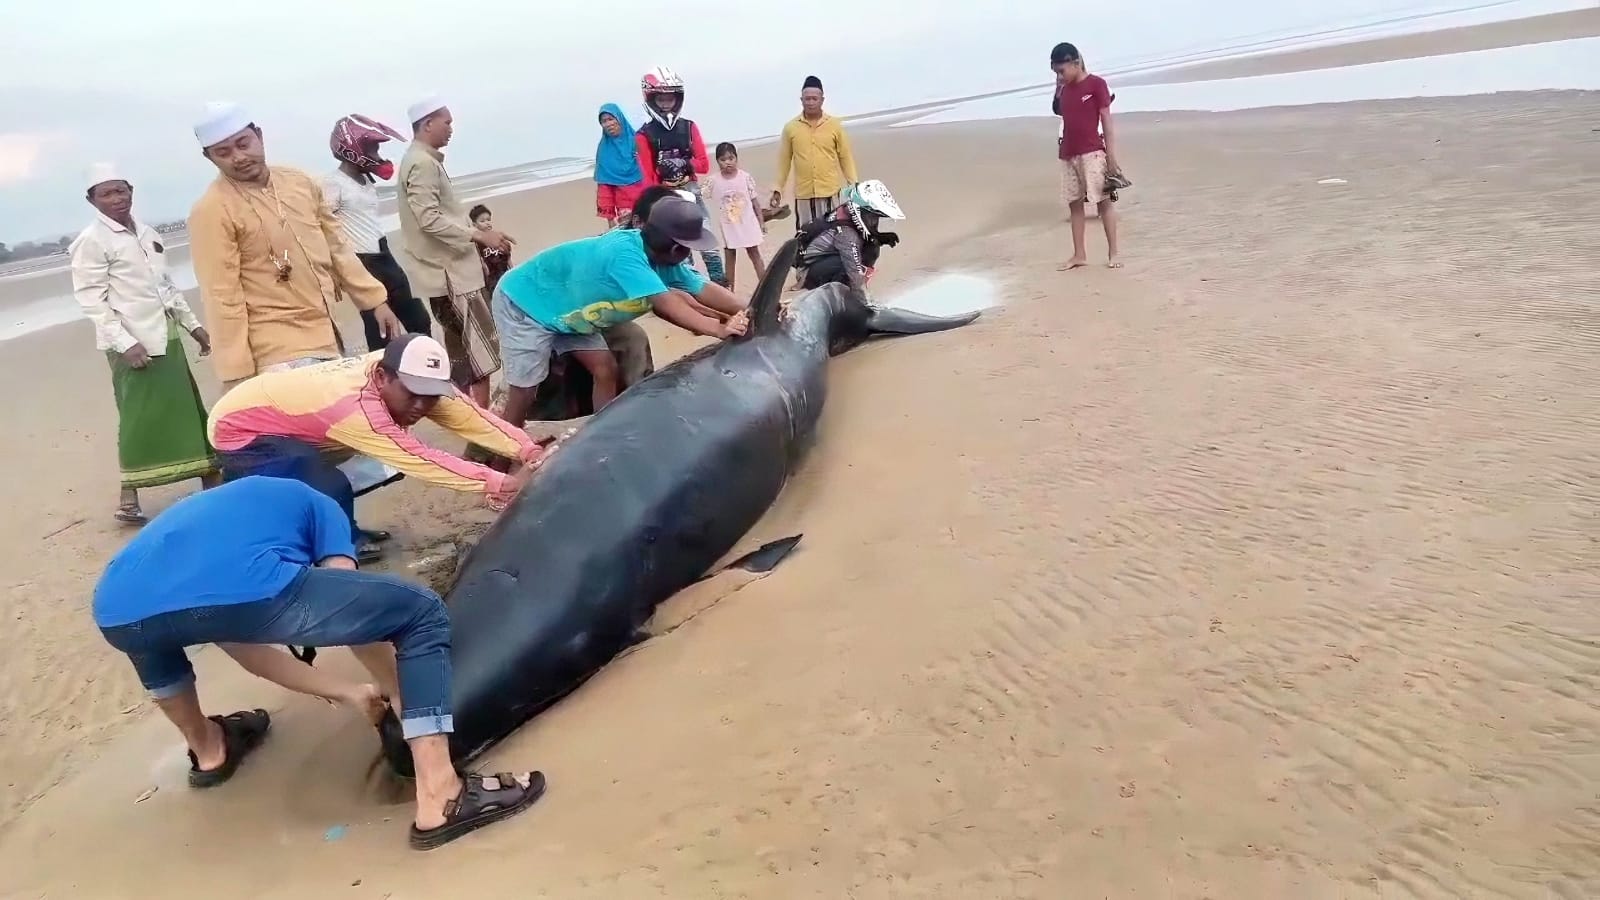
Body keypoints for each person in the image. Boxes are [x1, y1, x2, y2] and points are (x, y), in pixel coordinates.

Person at [92, 475, 545, 850]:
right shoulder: (322, 505)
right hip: (236, 588)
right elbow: (354, 611)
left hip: (116, 607)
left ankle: (211, 751)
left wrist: (348, 693)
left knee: (155, 636)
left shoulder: (237, 516)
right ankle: (441, 794)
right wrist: (397, 691)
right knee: (419, 612)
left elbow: (238, 638)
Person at [208, 333, 547, 563]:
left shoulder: (411, 375)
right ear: (383, 377)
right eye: (412, 393)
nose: (420, 404)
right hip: (240, 429)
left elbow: (473, 418)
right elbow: (419, 458)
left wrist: (527, 450)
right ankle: (327, 545)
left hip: (284, 414)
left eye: (430, 395)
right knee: (325, 484)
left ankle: (342, 532)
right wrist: (500, 484)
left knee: (335, 478)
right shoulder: (356, 407)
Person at [187, 102, 406, 389]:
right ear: (209, 157)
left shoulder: (299, 182)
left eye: (243, 144)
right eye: (223, 153)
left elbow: (337, 246)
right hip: (275, 350)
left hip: (326, 330)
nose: (238, 157)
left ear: (259, 136)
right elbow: (221, 295)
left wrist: (375, 300)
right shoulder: (212, 211)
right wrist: (236, 373)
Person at [492, 197, 749, 427]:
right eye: (686, 247)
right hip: (525, 303)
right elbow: (666, 304)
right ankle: (505, 453)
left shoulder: (662, 260)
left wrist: (749, 308)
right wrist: (718, 329)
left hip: (568, 315)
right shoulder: (624, 255)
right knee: (523, 391)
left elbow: (702, 289)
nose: (687, 254)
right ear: (672, 247)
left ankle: (599, 433)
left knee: (605, 369)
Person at [70, 163, 220, 525]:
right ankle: (128, 499)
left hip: (165, 336)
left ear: (131, 191)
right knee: (138, 417)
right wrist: (124, 343)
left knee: (188, 408)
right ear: (92, 201)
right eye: (106, 193)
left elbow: (165, 287)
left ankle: (211, 479)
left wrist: (194, 326)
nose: (116, 199)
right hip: (131, 344)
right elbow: (92, 299)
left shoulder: (148, 234)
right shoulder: (91, 242)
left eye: (121, 190)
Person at [397, 96, 510, 411]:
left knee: (461, 354)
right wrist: (477, 234)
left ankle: (470, 417)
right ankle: (484, 421)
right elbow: (429, 218)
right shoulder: (420, 163)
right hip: (451, 276)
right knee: (479, 356)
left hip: (449, 271)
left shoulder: (423, 160)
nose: (451, 129)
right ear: (427, 124)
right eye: (446, 122)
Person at [323, 114, 435, 352]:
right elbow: (323, 226)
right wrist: (334, 271)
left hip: (383, 254)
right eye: (372, 148)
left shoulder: (365, 179)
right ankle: (382, 378)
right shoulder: (334, 184)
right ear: (354, 148)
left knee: (418, 319)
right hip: (364, 262)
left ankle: (424, 364)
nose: (377, 154)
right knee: (380, 330)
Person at [634, 66, 726, 286]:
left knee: (709, 243)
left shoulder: (689, 127)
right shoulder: (644, 135)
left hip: (691, 190)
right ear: (651, 99)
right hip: (666, 198)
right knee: (681, 249)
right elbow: (647, 177)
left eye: (671, 99)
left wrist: (684, 162)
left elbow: (703, 164)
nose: (667, 104)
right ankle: (692, 290)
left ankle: (722, 287)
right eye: (661, 99)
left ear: (678, 99)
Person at [772, 75, 859, 289]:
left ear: (822, 99)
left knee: (833, 234)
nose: (810, 102)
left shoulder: (834, 126)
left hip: (830, 191)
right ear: (800, 100)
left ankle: (834, 274)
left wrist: (854, 183)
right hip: (804, 194)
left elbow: (845, 156)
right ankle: (803, 278)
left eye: (814, 98)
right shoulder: (791, 128)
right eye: (806, 98)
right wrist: (777, 189)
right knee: (804, 237)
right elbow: (784, 161)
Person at [1050, 42, 1122, 269]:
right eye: (1056, 73)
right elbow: (1057, 110)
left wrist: (1111, 157)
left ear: (1075, 62)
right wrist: (1058, 85)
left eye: (1062, 71)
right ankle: (1079, 254)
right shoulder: (1064, 90)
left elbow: (1107, 123)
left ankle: (1114, 253)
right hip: (1068, 154)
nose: (1060, 77)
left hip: (1092, 152)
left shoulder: (1096, 85)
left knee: (1103, 202)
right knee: (1074, 204)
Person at [797, 179, 904, 296]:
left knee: (871, 246)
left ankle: (845, 290)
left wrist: (879, 237)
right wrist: (866, 300)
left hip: (822, 259)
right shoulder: (846, 233)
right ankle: (835, 296)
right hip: (809, 272)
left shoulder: (848, 211)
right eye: (873, 217)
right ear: (862, 212)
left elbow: (864, 234)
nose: (875, 221)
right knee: (848, 265)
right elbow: (853, 269)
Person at [706, 142, 767, 291]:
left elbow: (755, 202)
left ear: (736, 158)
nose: (728, 162)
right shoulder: (713, 181)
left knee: (754, 253)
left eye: (731, 158)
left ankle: (766, 285)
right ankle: (730, 291)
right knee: (730, 256)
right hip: (728, 225)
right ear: (717, 161)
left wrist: (761, 221)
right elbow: (701, 195)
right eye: (723, 159)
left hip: (747, 222)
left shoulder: (745, 177)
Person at [594, 104, 645, 230]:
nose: (608, 124)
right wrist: (610, 220)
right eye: (603, 121)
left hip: (647, 202)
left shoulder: (639, 141)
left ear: (620, 119)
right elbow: (604, 187)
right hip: (625, 209)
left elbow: (652, 172)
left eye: (611, 119)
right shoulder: (604, 150)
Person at [468, 205, 512, 295]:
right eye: (482, 221)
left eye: (488, 219)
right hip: (492, 279)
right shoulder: (476, 243)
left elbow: (507, 257)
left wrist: (512, 270)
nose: (487, 223)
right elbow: (481, 263)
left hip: (506, 273)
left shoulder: (498, 237)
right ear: (474, 225)